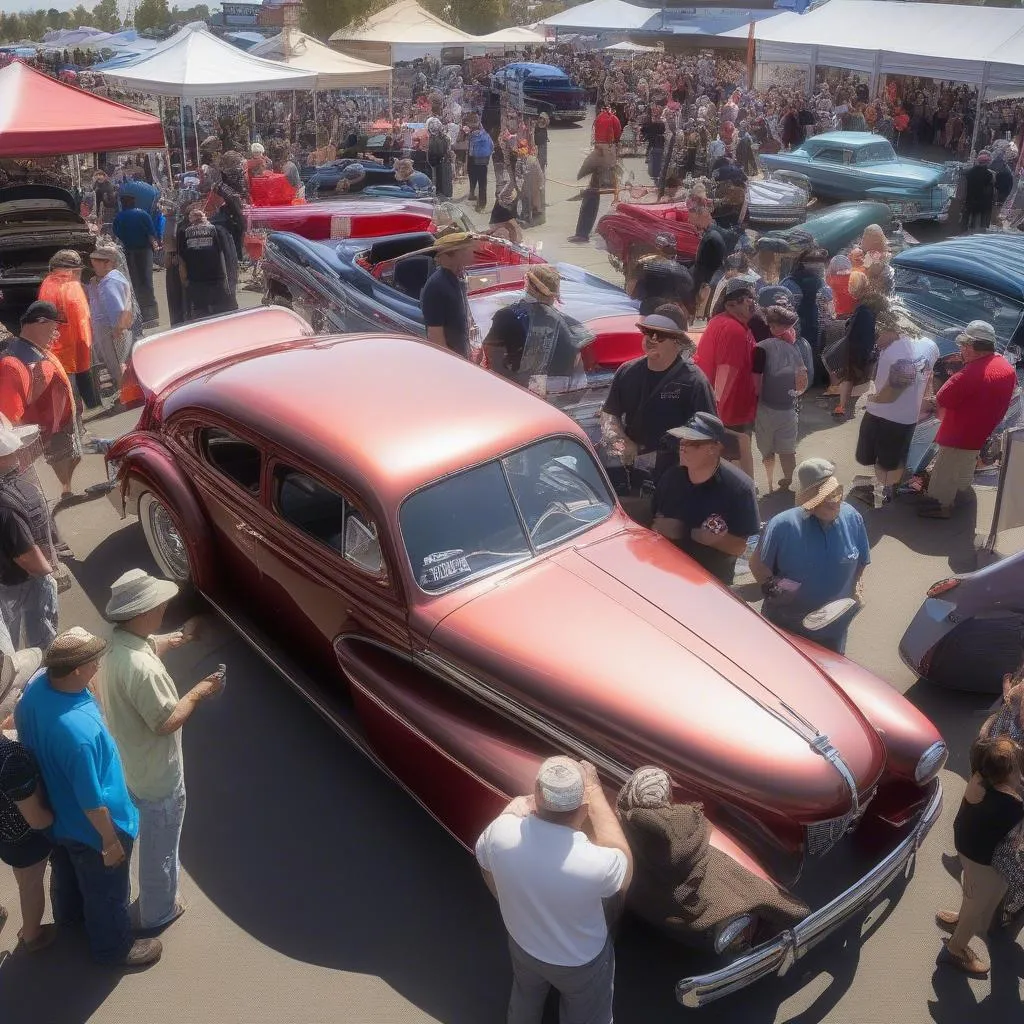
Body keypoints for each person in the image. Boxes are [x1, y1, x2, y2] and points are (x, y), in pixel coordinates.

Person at [15, 628, 161, 968]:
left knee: (65, 869)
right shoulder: (79, 733)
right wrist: (110, 842)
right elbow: (92, 800)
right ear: (77, 670)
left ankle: (69, 918)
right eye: (93, 660)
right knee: (106, 891)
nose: (99, 663)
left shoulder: (35, 693)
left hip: (57, 816)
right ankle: (114, 947)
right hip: (93, 827)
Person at [102, 569, 224, 931]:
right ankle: (159, 911)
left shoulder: (116, 643)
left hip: (132, 765)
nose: (164, 607)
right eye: (158, 605)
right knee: (162, 846)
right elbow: (167, 720)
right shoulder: (143, 671)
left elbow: (147, 645)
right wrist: (201, 691)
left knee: (149, 837)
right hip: (158, 776)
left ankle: (152, 899)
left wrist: (175, 639)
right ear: (141, 613)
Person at [475, 756, 632, 1024]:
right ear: (583, 809)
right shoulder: (596, 863)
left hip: (523, 944)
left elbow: (485, 864)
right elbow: (624, 865)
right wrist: (594, 792)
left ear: (536, 794)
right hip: (580, 963)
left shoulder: (500, 833)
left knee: (526, 994)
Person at [751, 458, 870, 654]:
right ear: (808, 501)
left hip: (833, 630)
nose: (833, 502)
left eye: (834, 493)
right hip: (786, 627)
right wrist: (773, 589)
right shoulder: (781, 526)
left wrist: (857, 584)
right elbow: (757, 564)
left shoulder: (853, 518)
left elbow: (862, 560)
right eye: (823, 497)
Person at [601, 310, 716, 501]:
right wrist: (620, 441)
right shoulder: (627, 372)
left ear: (677, 342)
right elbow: (609, 415)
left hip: (678, 479)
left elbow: (709, 435)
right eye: (647, 332)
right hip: (633, 477)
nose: (652, 339)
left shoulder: (695, 382)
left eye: (661, 335)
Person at [936, 737, 1024, 977]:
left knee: (971, 892)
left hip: (967, 848)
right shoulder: (1012, 806)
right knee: (979, 908)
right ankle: (956, 949)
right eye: (1017, 769)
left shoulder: (980, 781)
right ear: (1005, 777)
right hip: (981, 860)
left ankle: (960, 919)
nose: (1020, 774)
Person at [919, 320, 1016, 519]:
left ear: (973, 347)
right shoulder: (1006, 368)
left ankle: (941, 506)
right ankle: (961, 494)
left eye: (964, 345)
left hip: (957, 434)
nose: (961, 349)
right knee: (964, 467)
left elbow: (942, 399)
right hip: (981, 432)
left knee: (944, 472)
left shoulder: (966, 376)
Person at [651, 412, 760, 585]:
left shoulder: (740, 488)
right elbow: (654, 520)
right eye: (682, 440)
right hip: (670, 574)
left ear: (714, 448)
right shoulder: (670, 478)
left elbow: (740, 547)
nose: (683, 447)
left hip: (712, 582)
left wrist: (710, 538)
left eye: (692, 443)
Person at [852, 308, 938, 508]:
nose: (876, 337)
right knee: (892, 457)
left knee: (885, 460)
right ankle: (886, 489)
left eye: (878, 331)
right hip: (904, 417)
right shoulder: (929, 345)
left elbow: (895, 389)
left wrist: (871, 397)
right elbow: (929, 375)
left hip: (886, 414)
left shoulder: (897, 350)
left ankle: (882, 494)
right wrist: (923, 400)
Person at [0, 302, 80, 502]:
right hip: (31, 443)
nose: (57, 335)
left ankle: (64, 490)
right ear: (39, 323)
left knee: (68, 456)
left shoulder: (36, 351)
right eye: (54, 329)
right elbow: (11, 423)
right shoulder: (14, 364)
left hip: (53, 427)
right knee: (34, 495)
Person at [484, 265, 591, 396]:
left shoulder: (506, 316)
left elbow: (492, 358)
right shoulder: (568, 324)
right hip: (560, 399)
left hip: (516, 394)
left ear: (527, 283)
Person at [0, 714, 57, 952]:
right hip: (25, 838)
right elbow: (37, 819)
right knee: (30, 884)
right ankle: (32, 934)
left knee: (22, 878)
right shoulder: (11, 756)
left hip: (5, 834)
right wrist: (57, 820)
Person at [0, 420, 58, 653]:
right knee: (39, 640)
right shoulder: (7, 506)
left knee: (7, 643)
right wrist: (48, 575)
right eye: (11, 452)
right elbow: (26, 556)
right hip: (16, 583)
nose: (17, 454)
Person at [694, 278, 758, 479]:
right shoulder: (734, 330)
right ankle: (742, 492)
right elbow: (726, 371)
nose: (750, 302)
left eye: (751, 297)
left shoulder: (724, 322)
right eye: (744, 299)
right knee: (735, 457)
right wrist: (717, 410)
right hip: (730, 411)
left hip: (729, 407)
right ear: (730, 305)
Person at [753, 304, 809, 493]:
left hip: (766, 407)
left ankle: (769, 482)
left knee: (767, 448)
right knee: (787, 449)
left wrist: (754, 399)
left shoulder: (762, 348)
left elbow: (756, 381)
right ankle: (788, 480)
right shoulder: (797, 347)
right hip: (788, 408)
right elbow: (803, 379)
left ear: (773, 327)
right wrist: (795, 394)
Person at [37, 249, 99, 418]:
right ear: (65, 269)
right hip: (67, 345)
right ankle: (76, 417)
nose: (78, 273)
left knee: (79, 377)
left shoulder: (59, 283)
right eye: (76, 270)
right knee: (71, 385)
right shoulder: (60, 287)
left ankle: (87, 408)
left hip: (72, 342)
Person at [828, 271, 887, 419]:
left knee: (847, 375)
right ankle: (849, 404)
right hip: (869, 345)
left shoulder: (862, 308)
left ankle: (842, 406)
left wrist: (848, 324)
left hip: (856, 347)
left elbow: (853, 330)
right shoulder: (874, 301)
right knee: (859, 375)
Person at [420, 232, 478, 359]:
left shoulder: (458, 277)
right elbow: (436, 338)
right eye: (467, 249)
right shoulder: (436, 286)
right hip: (453, 362)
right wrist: (458, 364)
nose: (473, 252)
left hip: (463, 355)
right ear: (451, 255)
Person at [86, 245, 134, 390]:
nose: (93, 265)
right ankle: (125, 392)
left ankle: (125, 394)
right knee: (118, 363)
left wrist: (117, 331)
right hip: (111, 328)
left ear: (108, 263)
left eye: (97, 262)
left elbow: (117, 310)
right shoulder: (110, 278)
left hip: (111, 330)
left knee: (117, 365)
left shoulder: (110, 282)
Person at [177, 206, 237, 320]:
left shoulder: (183, 233)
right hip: (217, 282)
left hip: (196, 283)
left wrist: (185, 282)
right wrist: (229, 283)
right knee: (221, 318)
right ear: (205, 217)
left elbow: (181, 261)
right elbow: (226, 257)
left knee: (201, 318)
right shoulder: (216, 230)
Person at [111, 194, 158, 326]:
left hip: (129, 251)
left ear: (122, 204)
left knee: (134, 281)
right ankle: (152, 314)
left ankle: (139, 314)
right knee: (147, 281)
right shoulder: (143, 214)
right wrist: (154, 246)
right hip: (145, 251)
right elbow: (151, 233)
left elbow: (117, 233)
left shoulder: (119, 217)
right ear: (134, 203)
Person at [963, 150, 996, 232]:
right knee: (980, 222)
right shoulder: (988, 174)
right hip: (982, 202)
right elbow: (990, 188)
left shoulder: (969, 172)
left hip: (970, 199)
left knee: (970, 219)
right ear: (987, 162)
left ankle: (967, 230)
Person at [466, 120, 494, 211]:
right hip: (483, 163)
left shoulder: (472, 136)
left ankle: (472, 193)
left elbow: (470, 151)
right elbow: (492, 146)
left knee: (473, 178)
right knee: (482, 184)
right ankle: (482, 204)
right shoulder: (486, 135)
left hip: (473, 162)